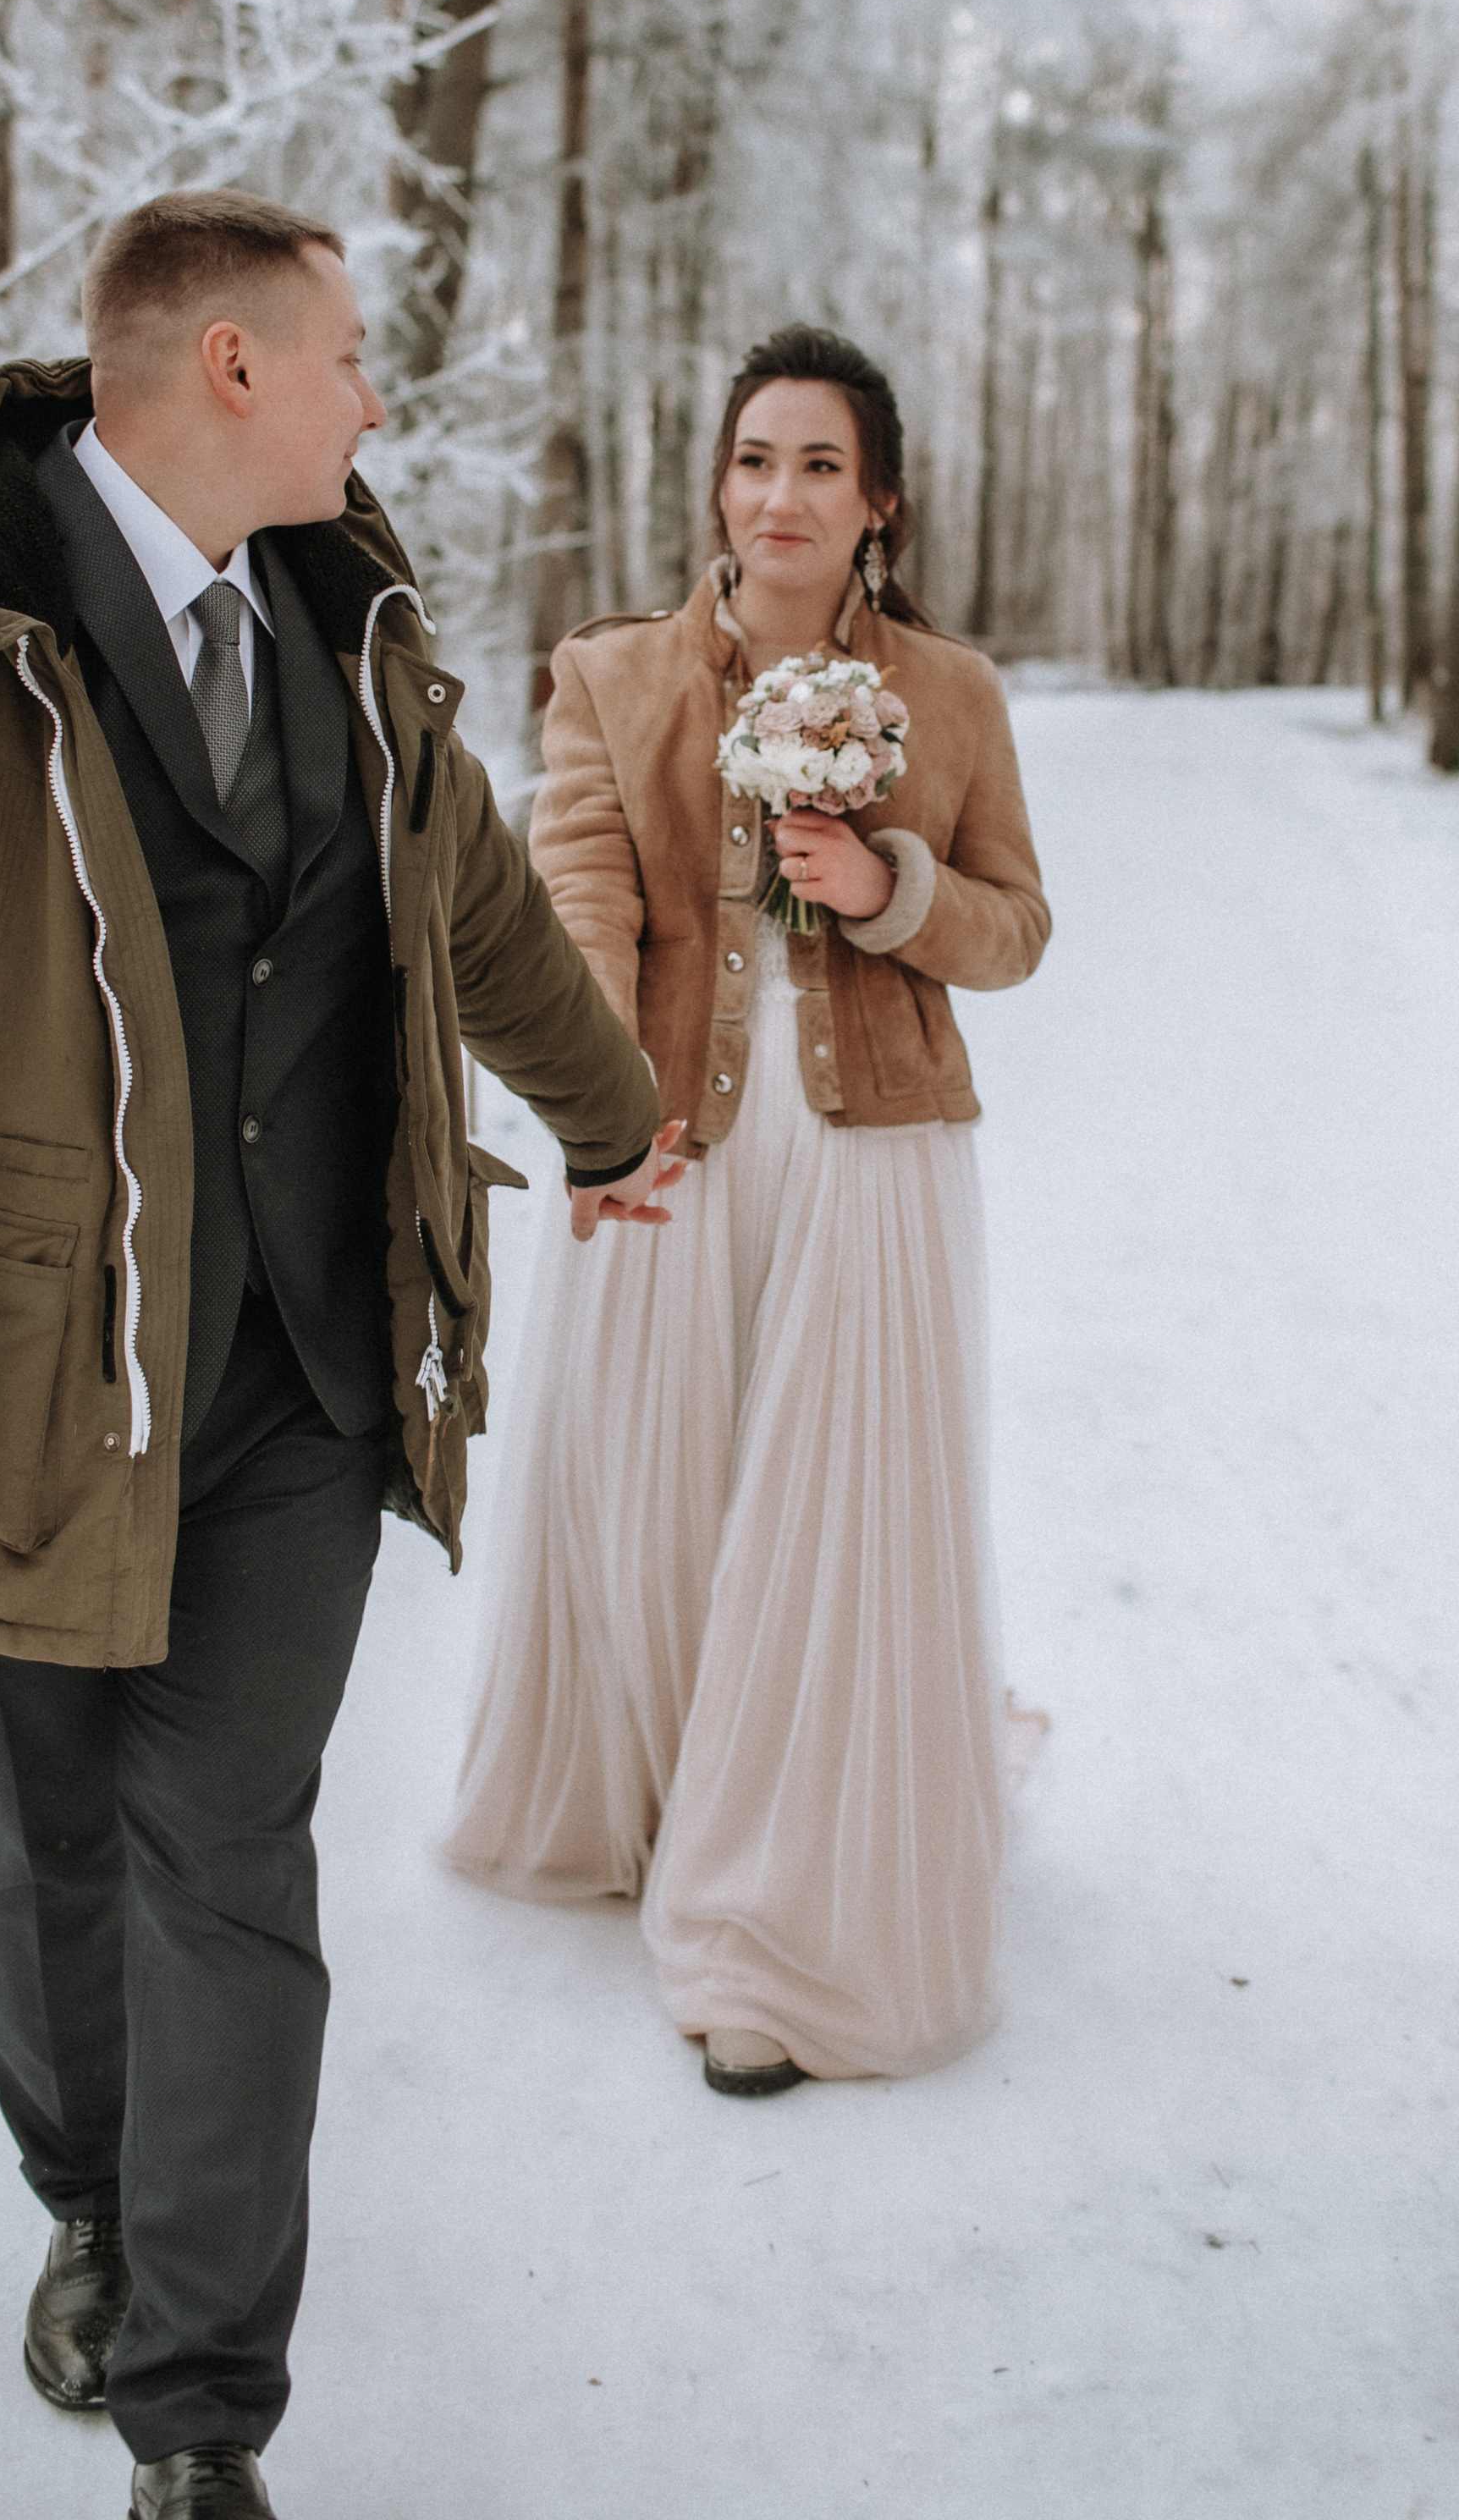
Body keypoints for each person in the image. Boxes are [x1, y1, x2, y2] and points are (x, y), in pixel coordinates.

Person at [0, 189, 680, 2520]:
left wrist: (621, 1122)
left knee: (225, 1859)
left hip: (300, 1383)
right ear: (228, 369)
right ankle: (88, 2196)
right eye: (346, 355)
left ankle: (201, 2414)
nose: (375, 398)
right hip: (33, 1387)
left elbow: (465, 900)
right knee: (45, 1842)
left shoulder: (353, 630)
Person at [443, 323, 1049, 2094]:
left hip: (874, 1150)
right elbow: (576, 892)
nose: (777, 495)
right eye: (751, 460)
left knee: (833, 1507)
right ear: (716, 484)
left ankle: (778, 1926)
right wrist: (596, 1121)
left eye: (816, 467)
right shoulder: (612, 675)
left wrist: (888, 886)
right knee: (652, 1488)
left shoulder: (950, 698)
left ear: (877, 505)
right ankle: (655, 1793)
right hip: (672, 1141)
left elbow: (1013, 928)